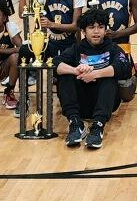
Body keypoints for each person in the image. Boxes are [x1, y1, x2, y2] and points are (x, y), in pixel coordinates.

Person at [54, 8, 132, 148]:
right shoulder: (76, 48)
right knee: (65, 75)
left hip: (105, 103)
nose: (96, 31)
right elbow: (55, 64)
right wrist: (76, 70)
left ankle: (98, 127)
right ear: (83, 31)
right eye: (91, 28)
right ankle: (75, 123)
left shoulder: (113, 48)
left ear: (105, 29)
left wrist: (95, 74)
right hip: (81, 103)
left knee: (109, 77)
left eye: (100, 27)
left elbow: (125, 68)